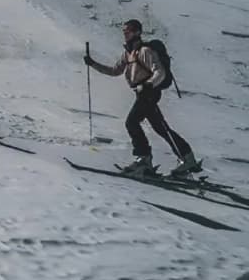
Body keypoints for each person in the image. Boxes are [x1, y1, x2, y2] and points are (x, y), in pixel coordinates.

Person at [85, 19, 200, 176]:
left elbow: (160, 71)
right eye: (124, 31)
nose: (125, 33)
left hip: (148, 92)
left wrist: (149, 84)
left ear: (137, 32)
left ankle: (144, 159)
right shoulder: (128, 53)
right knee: (161, 127)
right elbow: (115, 71)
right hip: (143, 92)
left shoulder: (145, 51)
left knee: (132, 122)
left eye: (129, 30)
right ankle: (187, 158)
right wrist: (92, 64)